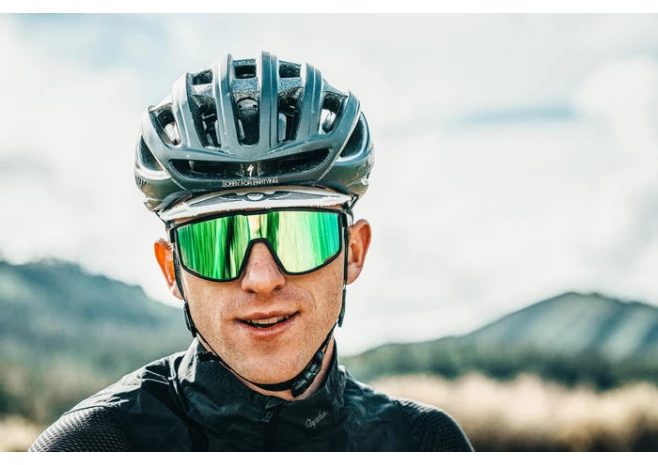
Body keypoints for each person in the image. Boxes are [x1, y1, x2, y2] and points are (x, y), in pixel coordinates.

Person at [29, 51, 473, 452]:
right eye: (216, 244)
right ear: (172, 270)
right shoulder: (88, 449)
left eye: (300, 235)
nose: (262, 279)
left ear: (353, 253)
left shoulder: (427, 444)